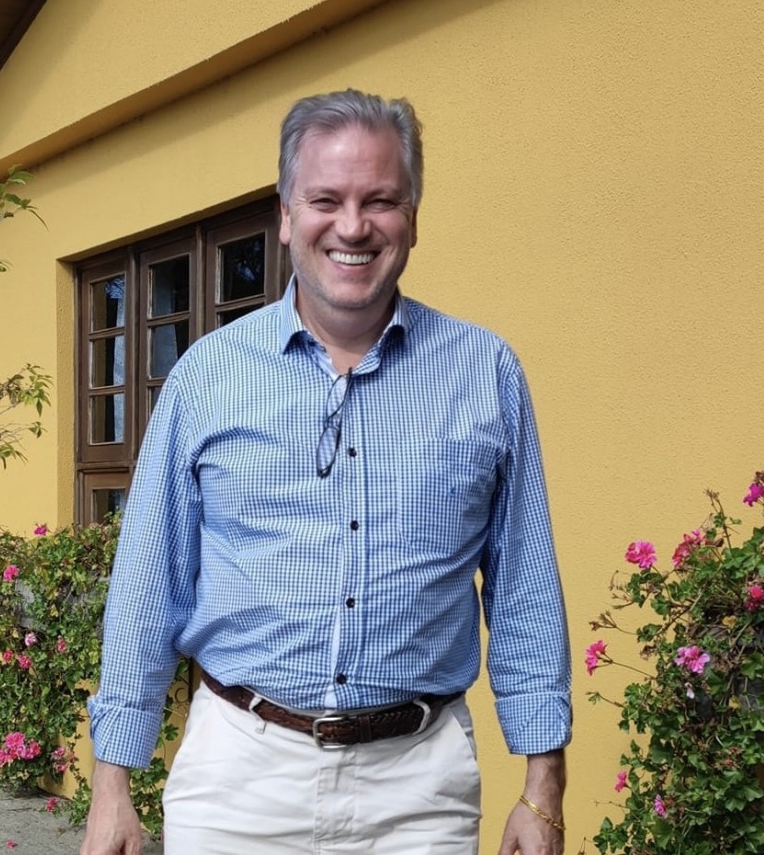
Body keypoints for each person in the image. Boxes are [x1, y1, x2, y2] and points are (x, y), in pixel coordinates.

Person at [81, 89, 571, 855]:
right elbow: (149, 583)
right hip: (238, 781)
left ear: (413, 216)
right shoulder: (206, 377)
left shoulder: (486, 373)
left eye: (380, 200)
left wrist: (544, 787)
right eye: (326, 200)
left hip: (419, 789)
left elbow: (524, 588)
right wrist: (111, 786)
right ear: (286, 215)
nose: (352, 225)